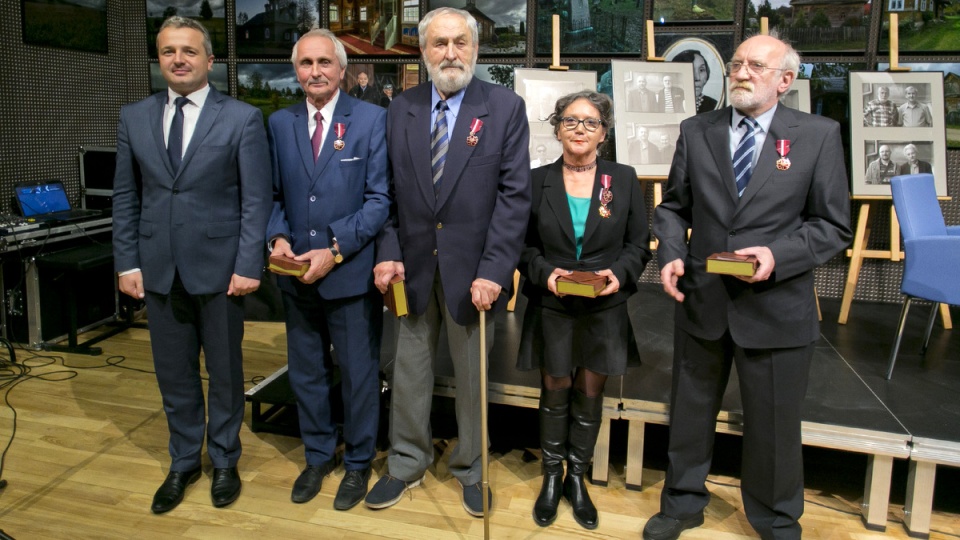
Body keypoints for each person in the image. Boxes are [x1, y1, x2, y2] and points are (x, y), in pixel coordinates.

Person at [644, 34, 851, 540]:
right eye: (737, 63)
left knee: (775, 424)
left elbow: (833, 226)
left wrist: (776, 254)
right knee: (690, 414)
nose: (741, 72)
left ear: (785, 80)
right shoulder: (697, 131)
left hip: (776, 305)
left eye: (756, 65)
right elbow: (674, 208)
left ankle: (776, 516)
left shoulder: (818, 135)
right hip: (704, 301)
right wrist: (671, 253)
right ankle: (683, 502)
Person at [365, 6, 531, 518]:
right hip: (411, 269)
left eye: (460, 42)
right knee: (409, 371)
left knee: (472, 377)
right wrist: (389, 254)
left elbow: (514, 198)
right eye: (439, 44)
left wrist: (494, 270)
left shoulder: (504, 107)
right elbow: (386, 192)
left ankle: (471, 470)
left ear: (476, 49)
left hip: (474, 273)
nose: (450, 53)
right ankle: (406, 463)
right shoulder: (400, 109)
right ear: (422, 50)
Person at [112, 16, 271, 514]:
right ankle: (182, 460)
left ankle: (224, 459)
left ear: (209, 59)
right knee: (173, 374)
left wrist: (249, 262)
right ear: (157, 59)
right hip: (157, 268)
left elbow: (255, 200)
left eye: (188, 51)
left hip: (223, 269)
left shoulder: (242, 118)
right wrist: (126, 261)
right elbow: (125, 196)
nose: (178, 60)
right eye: (167, 52)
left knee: (225, 372)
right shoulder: (133, 117)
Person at [265, 29, 391, 511]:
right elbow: (272, 195)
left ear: (342, 70)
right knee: (306, 372)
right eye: (305, 63)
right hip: (294, 272)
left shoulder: (372, 119)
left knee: (359, 376)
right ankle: (318, 455)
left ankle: (358, 463)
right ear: (296, 71)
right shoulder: (279, 123)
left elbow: (380, 199)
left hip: (349, 271)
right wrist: (276, 238)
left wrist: (335, 249)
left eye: (324, 62)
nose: (314, 71)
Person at [518, 91, 650, 530]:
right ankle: (551, 478)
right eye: (571, 121)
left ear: (604, 134)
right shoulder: (536, 181)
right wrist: (544, 274)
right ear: (557, 128)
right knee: (555, 389)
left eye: (590, 123)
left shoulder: (624, 179)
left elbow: (638, 244)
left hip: (604, 304)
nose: (580, 129)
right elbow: (523, 246)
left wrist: (619, 274)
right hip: (552, 302)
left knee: (590, 392)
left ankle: (578, 477)